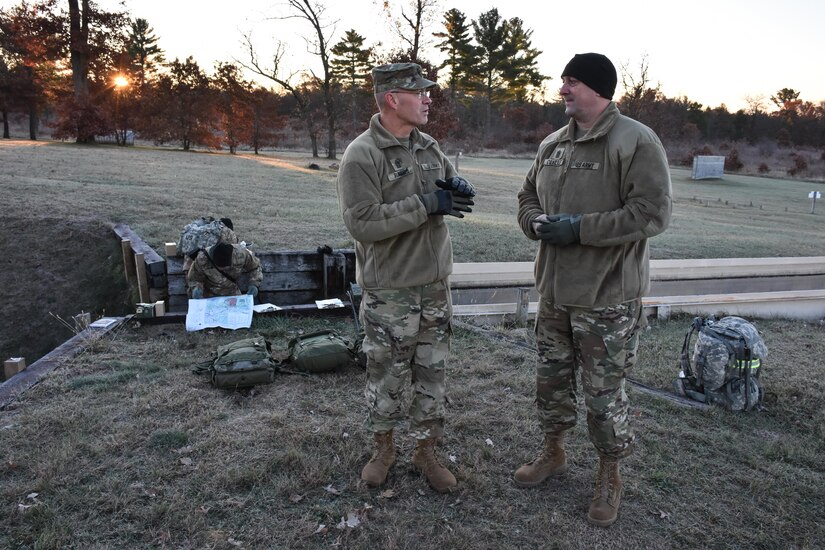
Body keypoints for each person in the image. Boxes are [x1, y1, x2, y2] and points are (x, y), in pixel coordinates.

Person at [515, 53, 672, 527]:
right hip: (555, 294)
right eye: (563, 81)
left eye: (573, 82)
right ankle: (553, 452)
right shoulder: (553, 144)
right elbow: (526, 197)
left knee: (604, 395)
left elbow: (651, 213)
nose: (563, 90)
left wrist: (580, 228)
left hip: (606, 297)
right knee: (552, 384)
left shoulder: (635, 141)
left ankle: (610, 475)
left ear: (600, 89)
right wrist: (534, 221)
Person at [336, 62, 476, 494]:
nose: (430, 98)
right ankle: (383, 449)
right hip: (391, 291)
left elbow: (442, 192)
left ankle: (426, 450)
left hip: (434, 286)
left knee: (432, 374)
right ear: (394, 99)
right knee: (387, 375)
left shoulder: (429, 146)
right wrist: (427, 205)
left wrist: (455, 186)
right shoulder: (362, 155)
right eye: (421, 92)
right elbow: (362, 223)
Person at [187, 241, 262, 300]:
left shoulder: (241, 254)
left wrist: (254, 284)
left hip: (232, 293)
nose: (223, 269)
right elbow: (194, 278)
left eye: (225, 267)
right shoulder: (202, 259)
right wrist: (196, 288)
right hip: (209, 296)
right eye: (220, 267)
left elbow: (255, 267)